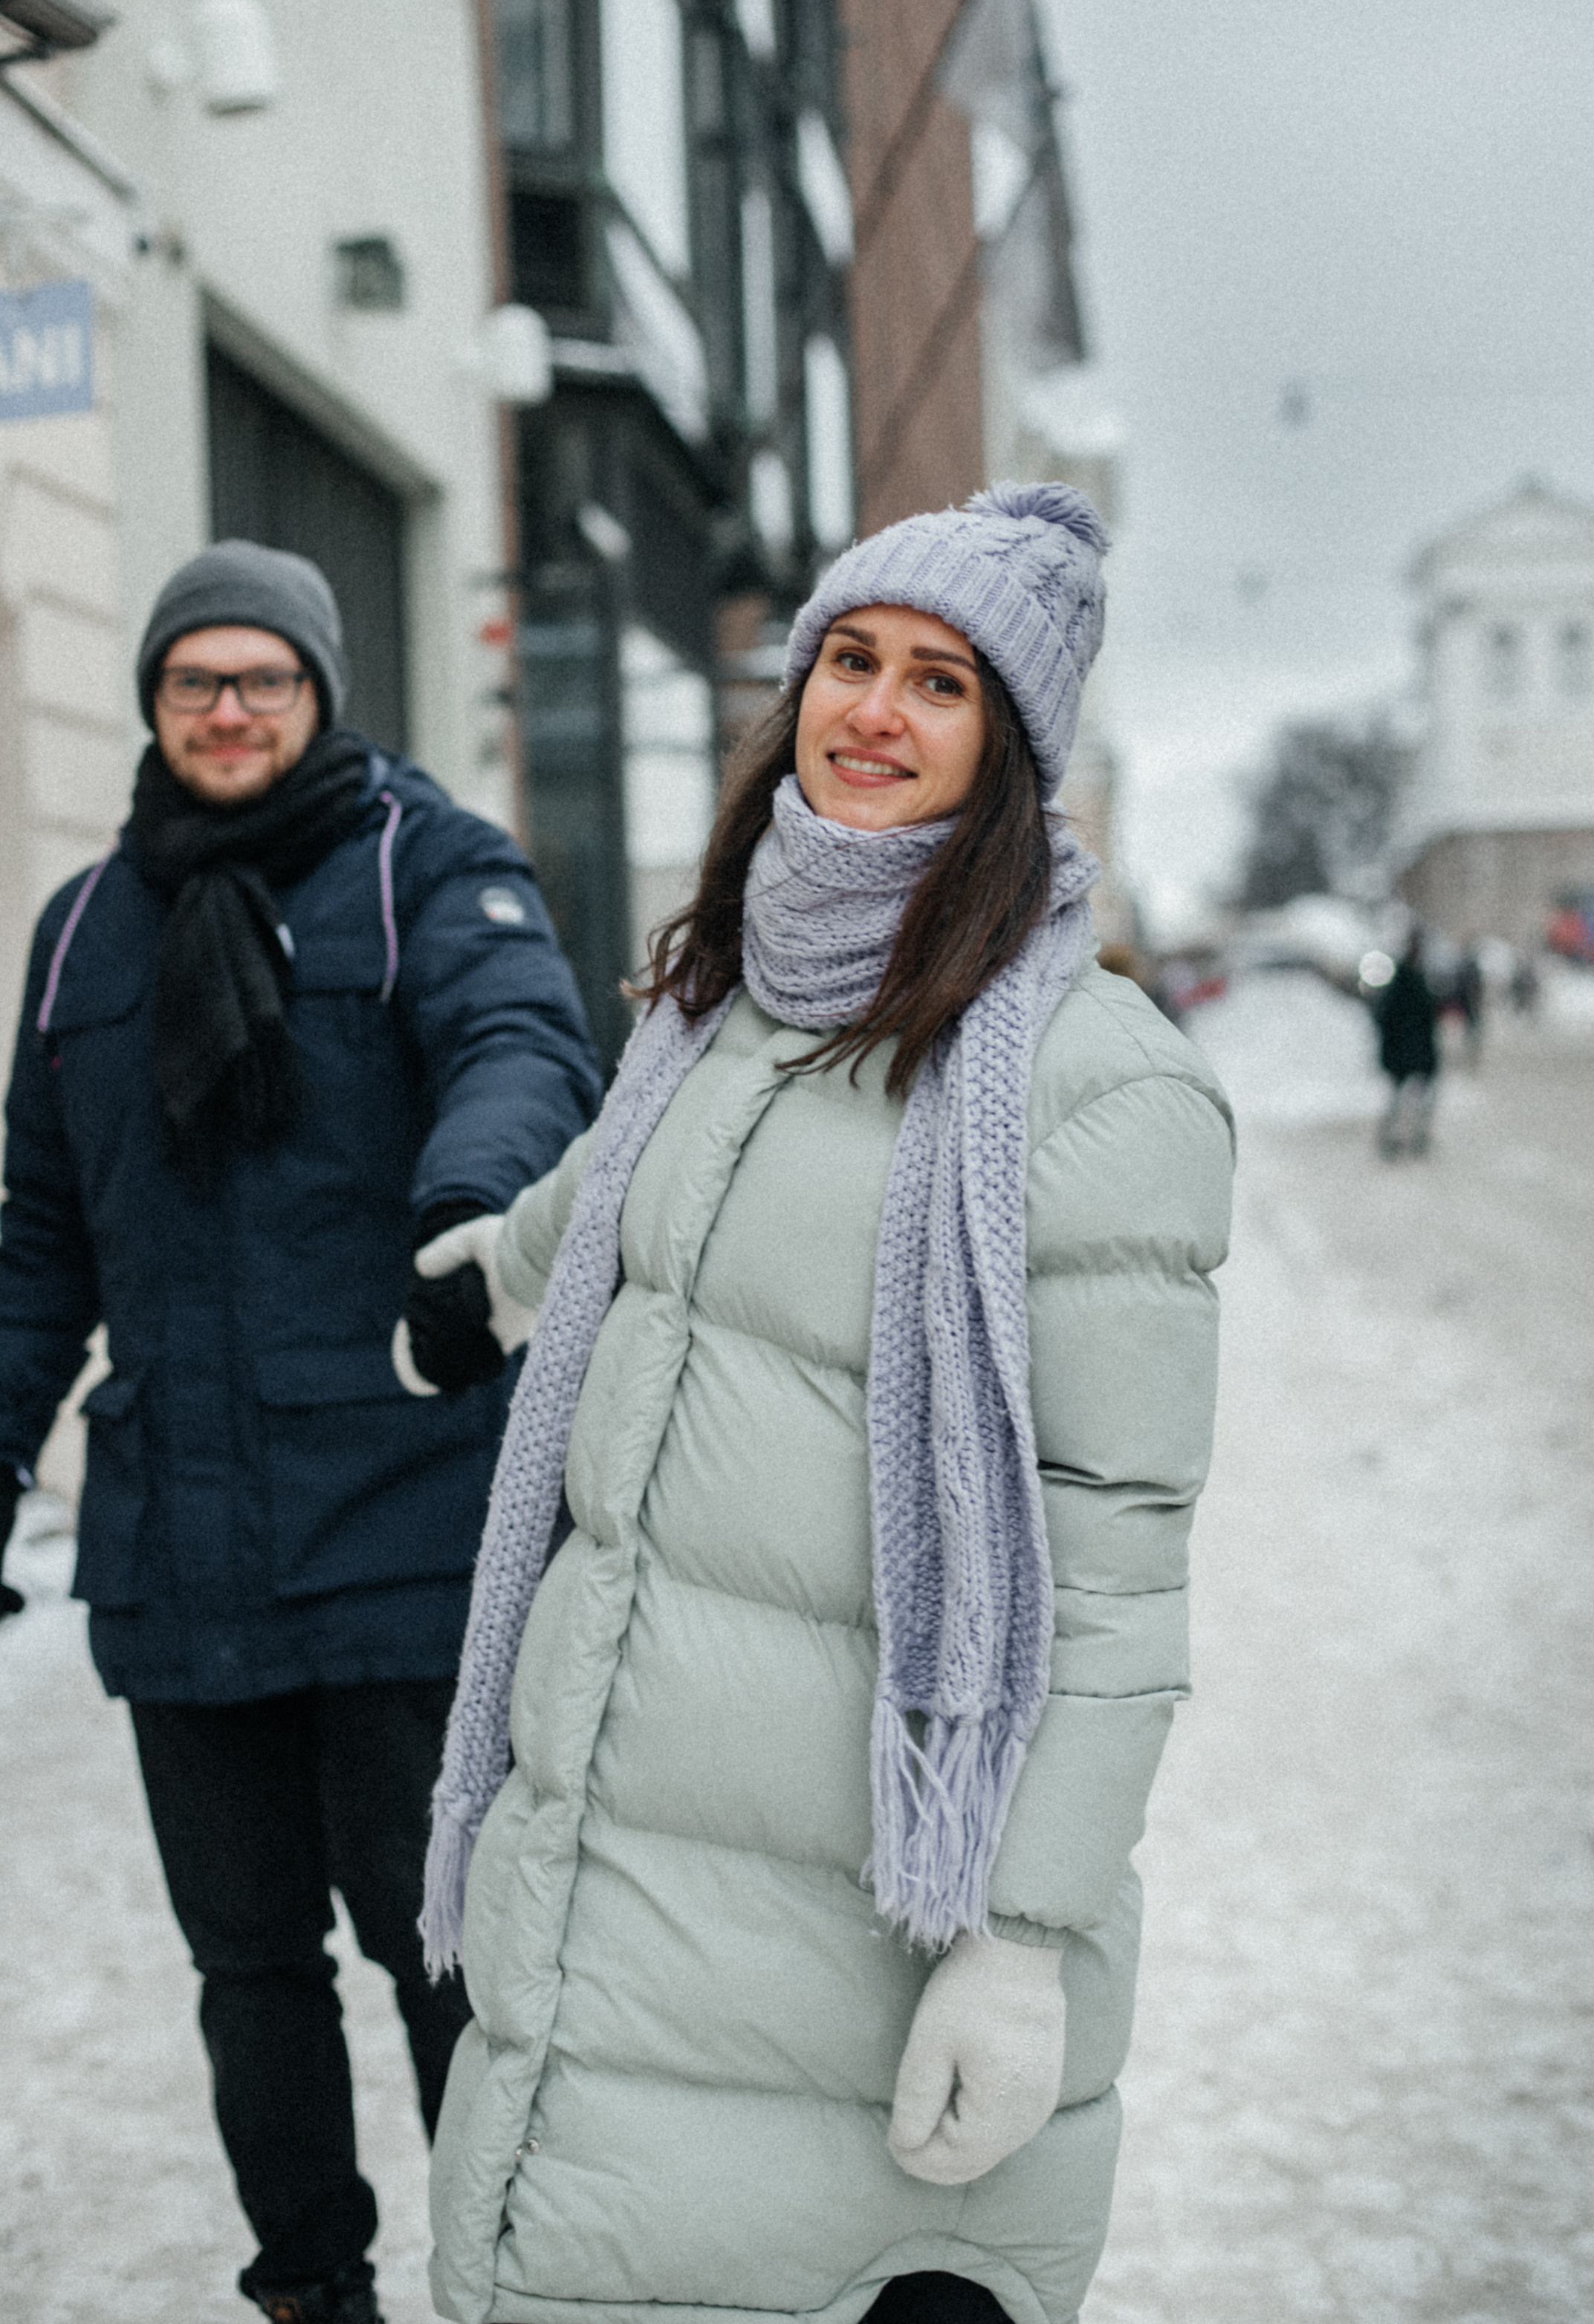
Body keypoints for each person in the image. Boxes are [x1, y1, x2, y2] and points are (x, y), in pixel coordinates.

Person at [407, 484, 1235, 2324]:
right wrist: (489, 1279)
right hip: (620, 1898)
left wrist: (1018, 1944)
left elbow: (1115, 1574)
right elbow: (615, 1202)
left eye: (940, 683)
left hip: (862, 1950)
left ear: (1010, 750)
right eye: (849, 660)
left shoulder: (1096, 1089)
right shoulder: (722, 1007)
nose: (873, 710)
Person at [0, 543, 602, 2324]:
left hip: (399, 1529)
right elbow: (39, 1238)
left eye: (264, 676)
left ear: (322, 689)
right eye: (197, 679)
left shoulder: (429, 867)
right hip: (178, 1554)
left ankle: (500, 2284)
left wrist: (469, 1217)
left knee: (446, 1961)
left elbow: (522, 1051)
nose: (230, 708)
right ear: (156, 700)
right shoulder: (84, 930)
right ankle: (311, 2294)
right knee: (249, 1969)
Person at [1376, 927, 1439, 1157]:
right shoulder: (1405, 978)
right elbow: (1386, 1016)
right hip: (1406, 1049)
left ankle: (1412, 1137)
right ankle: (1395, 1138)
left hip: (1415, 1049)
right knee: (1403, 1098)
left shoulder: (1416, 976)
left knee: (1418, 1098)